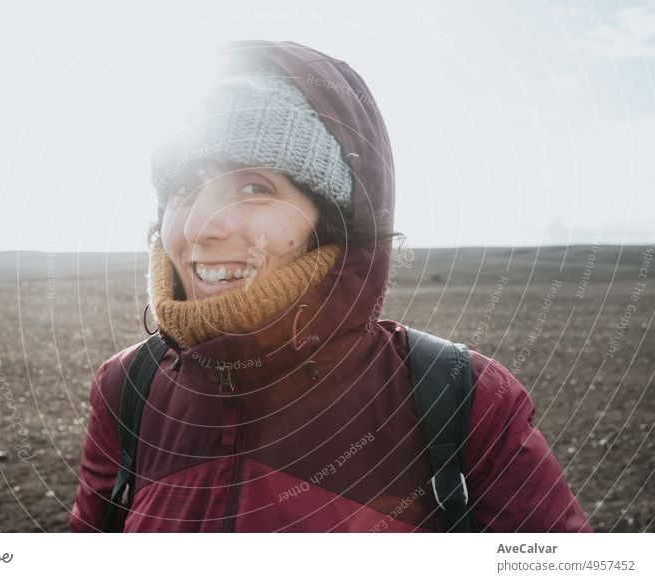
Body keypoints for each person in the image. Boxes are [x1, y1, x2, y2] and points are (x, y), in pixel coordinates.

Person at [69, 39, 592, 532]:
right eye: (184, 188)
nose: (200, 226)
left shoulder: (458, 398)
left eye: (255, 187)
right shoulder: (129, 388)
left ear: (336, 221)